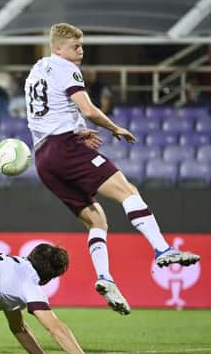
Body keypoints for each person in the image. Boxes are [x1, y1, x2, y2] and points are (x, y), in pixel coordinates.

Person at [24, 23, 200, 315]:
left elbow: (48, 112)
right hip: (64, 148)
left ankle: (105, 278)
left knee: (97, 221)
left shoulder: (36, 71)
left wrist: (79, 131)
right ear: (58, 48)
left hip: (44, 158)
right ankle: (162, 250)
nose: (80, 51)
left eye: (81, 46)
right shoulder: (66, 68)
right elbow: (89, 109)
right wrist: (114, 128)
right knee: (128, 191)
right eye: (75, 47)